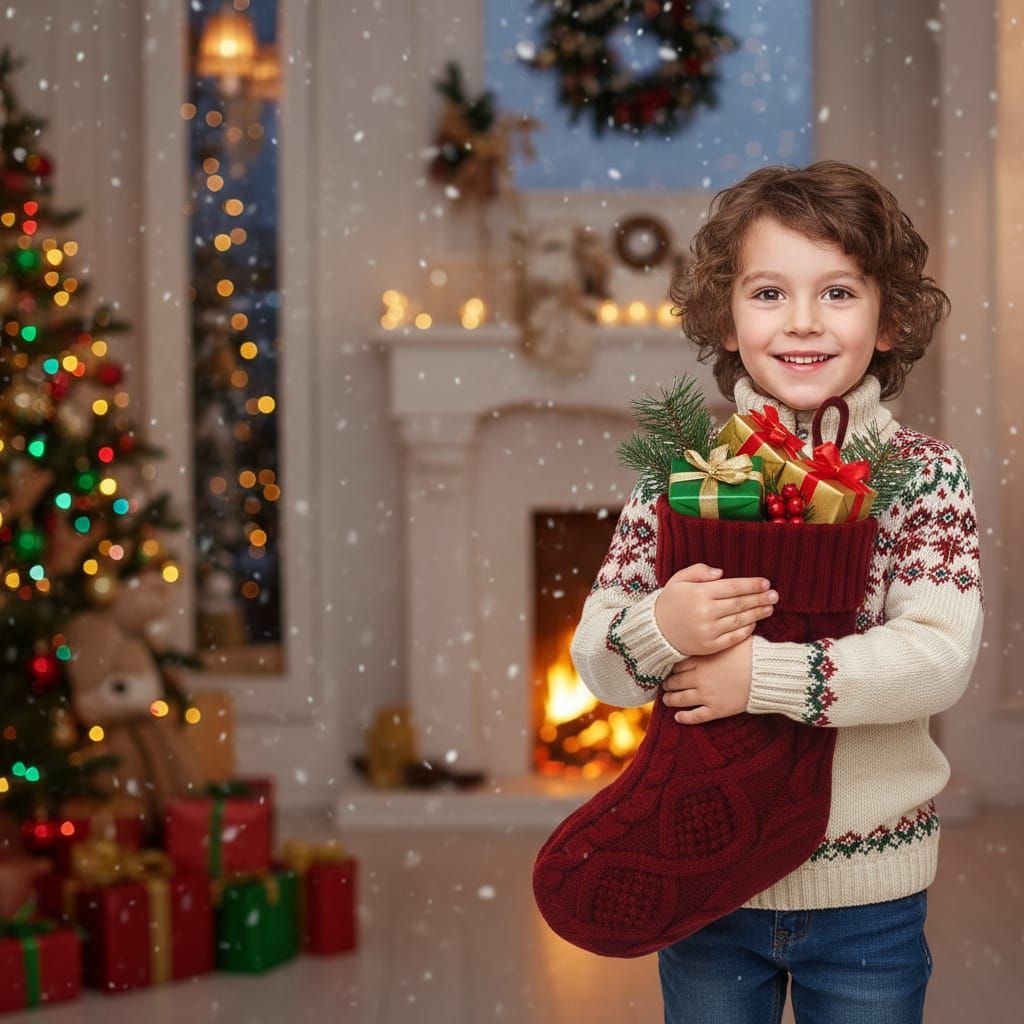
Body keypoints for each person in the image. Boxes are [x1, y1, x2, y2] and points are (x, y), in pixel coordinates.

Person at [570, 161, 984, 1024]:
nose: (802, 322)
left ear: (891, 316)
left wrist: (760, 677)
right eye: (768, 293)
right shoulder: (679, 476)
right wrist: (660, 626)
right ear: (725, 317)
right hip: (707, 881)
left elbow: (937, 657)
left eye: (838, 293)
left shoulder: (922, 477)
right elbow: (598, 664)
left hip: (868, 897)